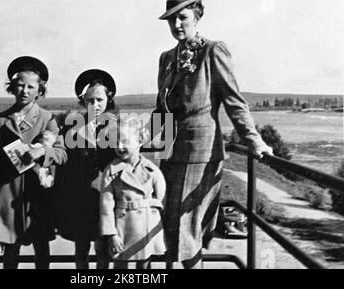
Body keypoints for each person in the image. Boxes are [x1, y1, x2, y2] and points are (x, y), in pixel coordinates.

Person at [153, 0, 273, 268]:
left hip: (201, 155)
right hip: (170, 156)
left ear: (197, 16)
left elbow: (233, 100)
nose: (176, 24)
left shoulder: (213, 51)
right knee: (171, 229)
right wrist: (147, 146)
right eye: (171, 20)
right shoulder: (166, 58)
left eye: (182, 17)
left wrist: (254, 140)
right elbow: (161, 110)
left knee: (187, 231)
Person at [0, 56, 67, 269]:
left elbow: (61, 153)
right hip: (8, 192)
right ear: (12, 88)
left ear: (40, 91)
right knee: (10, 248)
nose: (24, 91)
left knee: (41, 246)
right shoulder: (0, 120)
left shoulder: (47, 118)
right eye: (20, 85)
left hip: (38, 194)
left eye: (30, 86)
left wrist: (42, 150)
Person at [54, 69, 118, 269]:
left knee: (103, 247)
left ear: (108, 99)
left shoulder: (118, 126)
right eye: (90, 101)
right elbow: (65, 161)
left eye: (100, 99)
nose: (95, 105)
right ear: (83, 101)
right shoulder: (72, 128)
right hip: (80, 196)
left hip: (106, 195)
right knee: (81, 247)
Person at [99, 115, 166, 269]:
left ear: (140, 141)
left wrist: (152, 209)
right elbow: (106, 206)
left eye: (125, 141)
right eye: (116, 142)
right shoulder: (111, 171)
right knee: (120, 263)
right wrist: (112, 234)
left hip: (146, 226)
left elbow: (161, 195)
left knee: (144, 263)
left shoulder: (151, 169)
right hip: (122, 227)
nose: (120, 146)